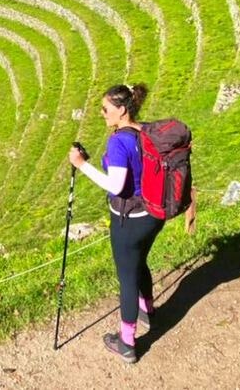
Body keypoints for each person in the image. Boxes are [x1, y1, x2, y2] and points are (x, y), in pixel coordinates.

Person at [68, 83, 162, 364]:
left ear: (121, 110)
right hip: (152, 215)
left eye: (106, 109)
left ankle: (127, 342)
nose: (101, 113)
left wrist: (82, 164)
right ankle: (148, 309)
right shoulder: (145, 130)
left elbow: (116, 185)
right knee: (140, 261)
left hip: (129, 221)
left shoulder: (119, 141)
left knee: (127, 277)